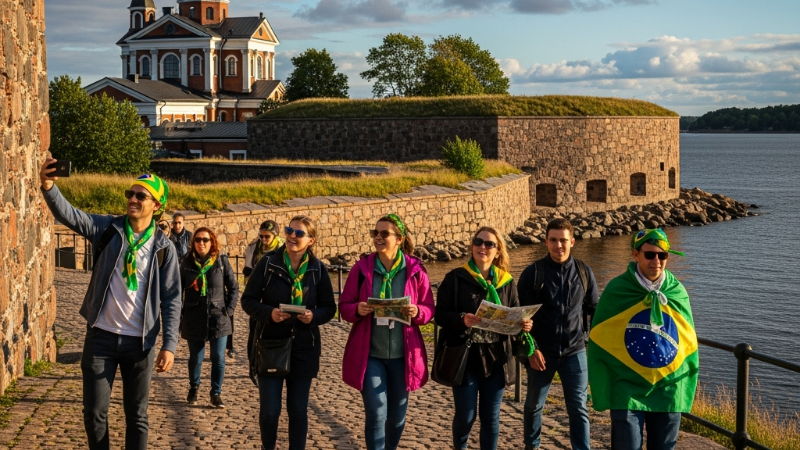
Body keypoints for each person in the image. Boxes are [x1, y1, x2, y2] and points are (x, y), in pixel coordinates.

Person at [39, 159, 180, 450]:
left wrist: (170, 344)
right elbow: (71, 216)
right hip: (101, 337)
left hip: (140, 344)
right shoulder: (108, 228)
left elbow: (171, 298)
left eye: (141, 196)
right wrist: (49, 186)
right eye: (130, 193)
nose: (132, 199)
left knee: (137, 416)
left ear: (157, 204)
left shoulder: (164, 249)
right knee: (93, 414)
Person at [588, 229, 698, 450]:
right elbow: (600, 337)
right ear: (635, 254)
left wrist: (686, 379)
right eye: (649, 255)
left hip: (668, 386)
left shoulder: (677, 292)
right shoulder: (618, 290)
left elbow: (688, 342)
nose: (656, 261)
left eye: (662, 255)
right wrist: (604, 379)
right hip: (626, 387)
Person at [339, 214, 435, 450]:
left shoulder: (415, 270)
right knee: (376, 412)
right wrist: (358, 309)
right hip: (370, 354)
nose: (378, 238)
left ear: (399, 239)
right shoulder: (361, 269)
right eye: (375, 233)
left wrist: (417, 312)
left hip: (404, 356)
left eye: (384, 234)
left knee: (397, 417)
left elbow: (429, 309)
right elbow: (344, 306)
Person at [241, 215, 336, 450]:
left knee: (298, 411)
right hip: (271, 344)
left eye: (299, 233)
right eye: (289, 230)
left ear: (311, 240)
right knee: (270, 412)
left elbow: (329, 308)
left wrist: (314, 316)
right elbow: (248, 300)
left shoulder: (318, 269)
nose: (292, 236)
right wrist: (269, 313)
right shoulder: (268, 263)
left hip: (305, 346)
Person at [435, 226, 533, 450]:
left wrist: (524, 323)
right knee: (466, 416)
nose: (482, 247)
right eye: (478, 242)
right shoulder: (455, 278)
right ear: (472, 246)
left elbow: (516, 313)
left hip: (497, 359)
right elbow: (440, 315)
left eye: (489, 244)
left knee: (491, 418)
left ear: (497, 251)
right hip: (466, 357)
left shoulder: (506, 282)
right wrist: (462, 319)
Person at [517, 218, 599, 450]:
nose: (558, 245)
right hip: (541, 352)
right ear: (546, 241)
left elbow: (595, 311)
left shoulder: (584, 272)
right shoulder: (533, 274)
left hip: (575, 351)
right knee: (534, 405)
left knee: (579, 407)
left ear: (572, 241)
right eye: (553, 240)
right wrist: (532, 351)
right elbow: (521, 318)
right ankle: (532, 446)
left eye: (563, 240)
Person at [179, 227, 239, 408]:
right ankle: (194, 387)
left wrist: (228, 309)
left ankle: (216, 393)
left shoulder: (221, 261)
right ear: (193, 243)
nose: (201, 243)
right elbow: (176, 290)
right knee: (196, 357)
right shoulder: (186, 263)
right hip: (194, 317)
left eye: (205, 240)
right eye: (197, 240)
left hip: (218, 317)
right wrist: (179, 315)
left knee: (218, 357)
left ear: (212, 241)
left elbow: (234, 288)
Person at [236, 220, 284, 358]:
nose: (263, 239)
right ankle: (254, 358)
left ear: (275, 236)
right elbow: (247, 270)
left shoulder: (282, 248)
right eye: (261, 236)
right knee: (255, 328)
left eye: (267, 236)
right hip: (258, 290)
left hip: (276, 291)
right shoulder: (253, 248)